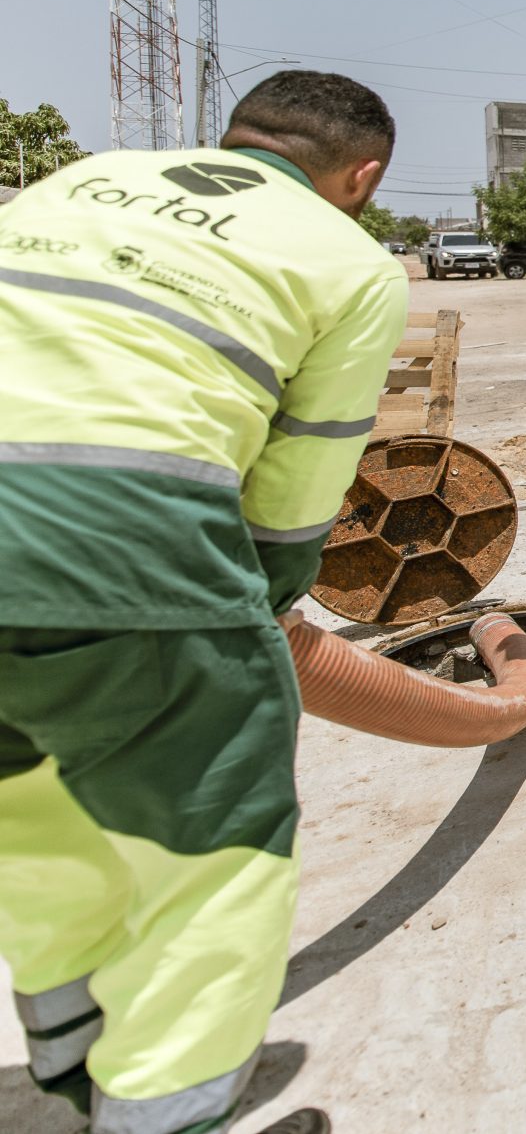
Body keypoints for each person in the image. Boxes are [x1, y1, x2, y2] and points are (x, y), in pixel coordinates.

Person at [0, 71, 410, 1134]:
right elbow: (300, 480)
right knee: (210, 850)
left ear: (232, 135)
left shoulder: (77, 180)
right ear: (360, 176)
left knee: (35, 821)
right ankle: (164, 1111)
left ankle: (70, 1073)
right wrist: (263, 605)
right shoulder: (347, 258)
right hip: (121, 543)